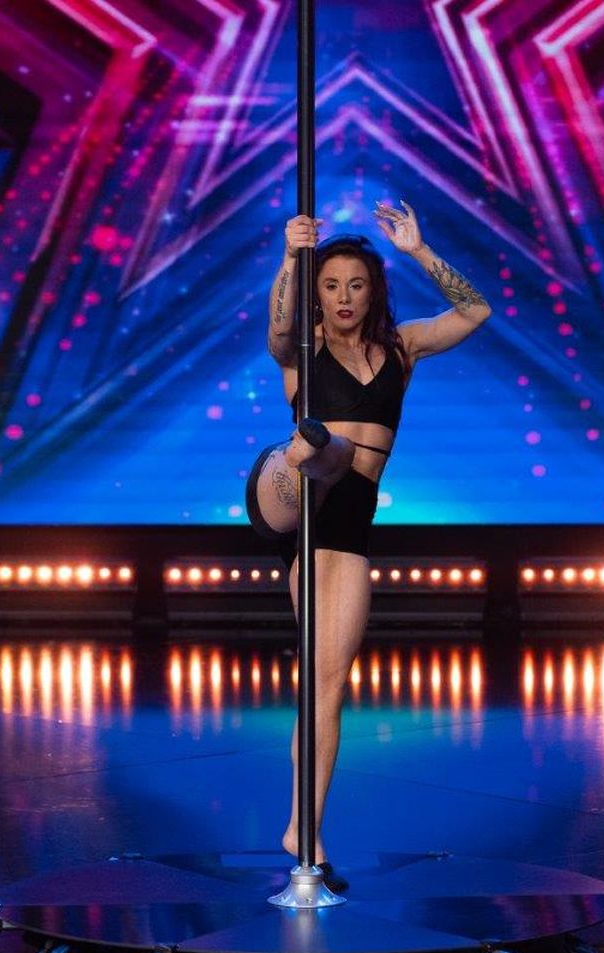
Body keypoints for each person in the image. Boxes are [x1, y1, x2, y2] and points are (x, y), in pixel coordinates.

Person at [245, 199, 492, 883]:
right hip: (291, 500)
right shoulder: (303, 350)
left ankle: (304, 829)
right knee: (322, 451)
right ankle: (310, 448)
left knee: (325, 688)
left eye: (355, 284)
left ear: (373, 291)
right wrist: (290, 257)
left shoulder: (400, 351)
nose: (344, 297)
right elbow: (277, 331)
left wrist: (419, 250)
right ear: (317, 294)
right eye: (330, 285)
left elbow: (475, 312)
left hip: (347, 527)